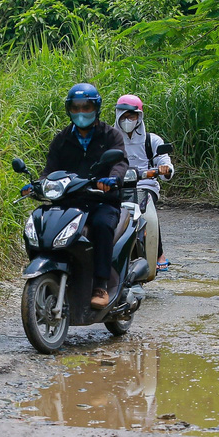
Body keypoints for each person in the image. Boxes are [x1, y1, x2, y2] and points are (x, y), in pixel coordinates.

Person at [39, 83, 129, 308]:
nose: (81, 113)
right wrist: (38, 185)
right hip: (71, 201)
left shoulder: (111, 136)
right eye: (76, 108)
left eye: (86, 107)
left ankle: (100, 285)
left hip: (102, 201)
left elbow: (120, 161)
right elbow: (49, 169)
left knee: (101, 225)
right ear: (69, 109)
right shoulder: (62, 139)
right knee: (44, 222)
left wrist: (112, 180)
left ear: (96, 108)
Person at [113, 94, 174, 270]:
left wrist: (165, 169)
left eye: (131, 116)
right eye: (123, 115)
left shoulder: (151, 140)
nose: (127, 120)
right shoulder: (109, 138)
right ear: (117, 115)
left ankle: (158, 254)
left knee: (147, 214)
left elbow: (165, 162)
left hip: (145, 186)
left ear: (139, 117)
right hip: (116, 185)